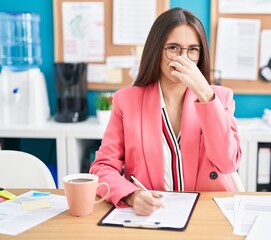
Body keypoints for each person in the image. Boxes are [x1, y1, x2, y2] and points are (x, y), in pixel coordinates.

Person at [90, 7, 241, 216]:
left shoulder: (219, 98)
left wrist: (206, 95)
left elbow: (227, 163)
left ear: (201, 55)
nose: (183, 58)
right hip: (154, 216)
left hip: (208, 214)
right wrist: (131, 195)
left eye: (193, 49)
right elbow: (102, 167)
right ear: (156, 50)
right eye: (173, 48)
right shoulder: (126, 100)